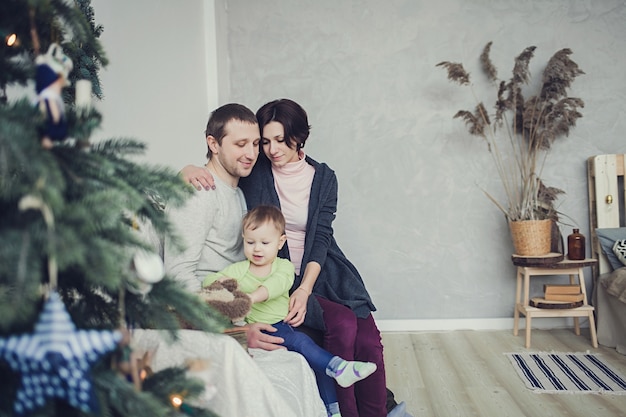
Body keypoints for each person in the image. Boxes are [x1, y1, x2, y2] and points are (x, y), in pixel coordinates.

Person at [182, 99, 410, 417]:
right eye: (266, 141)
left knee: (369, 341)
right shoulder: (255, 170)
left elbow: (321, 237)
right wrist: (187, 170)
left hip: (322, 271)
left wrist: (304, 288)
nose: (271, 149)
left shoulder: (324, 177)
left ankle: (380, 412)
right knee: (341, 329)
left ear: (299, 137)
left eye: (281, 140)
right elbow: (219, 166)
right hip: (278, 276)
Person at [163, 103, 327, 417]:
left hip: (248, 303)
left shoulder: (238, 192)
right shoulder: (199, 192)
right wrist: (234, 331)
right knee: (297, 357)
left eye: (255, 144)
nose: (251, 153)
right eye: (240, 144)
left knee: (315, 336)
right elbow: (178, 276)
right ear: (213, 143)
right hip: (215, 316)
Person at [204, 205, 377, 417]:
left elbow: (276, 285)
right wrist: (221, 282)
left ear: (280, 242)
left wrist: (251, 297)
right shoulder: (239, 270)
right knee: (302, 343)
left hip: (283, 324)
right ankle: (339, 367)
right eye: (250, 242)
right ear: (244, 239)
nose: (257, 249)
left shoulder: (283, 267)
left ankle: (334, 410)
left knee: (316, 361)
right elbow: (208, 281)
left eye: (265, 243)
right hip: (266, 328)